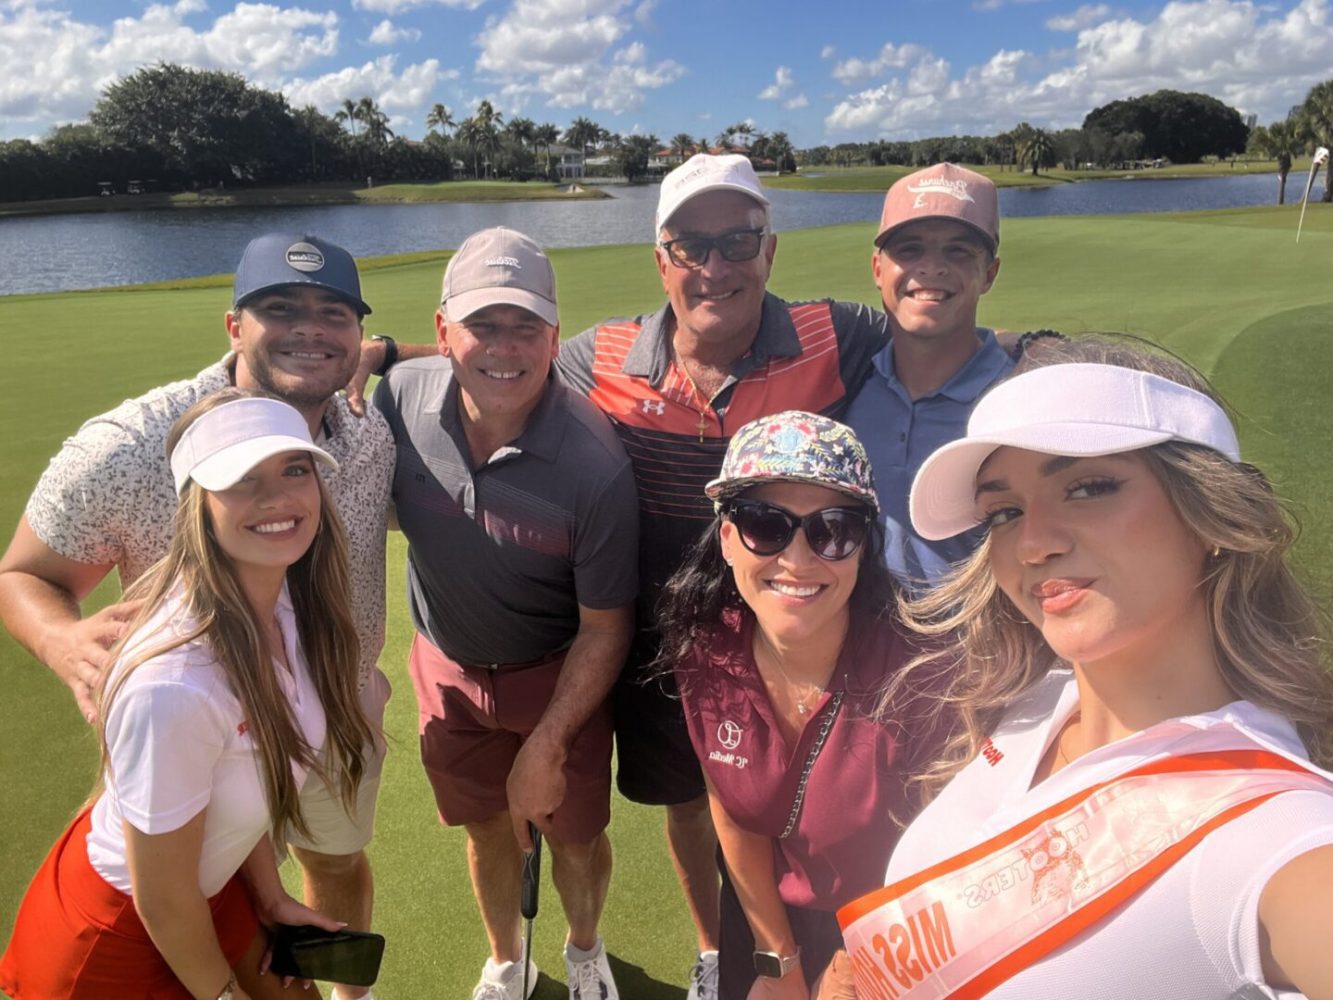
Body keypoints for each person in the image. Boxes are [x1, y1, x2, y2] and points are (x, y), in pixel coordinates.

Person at [835, 337, 1333, 998]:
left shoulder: (1273, 830)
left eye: (1087, 487)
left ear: (1208, 512)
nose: (1033, 542)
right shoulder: (1032, 707)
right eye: (1003, 512)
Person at [0, 233, 395, 1000]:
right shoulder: (128, 445)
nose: (310, 329)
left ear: (355, 336)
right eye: (280, 308)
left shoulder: (367, 435)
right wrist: (66, 642)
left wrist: (393, 356)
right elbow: (23, 575)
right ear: (233, 325)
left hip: (322, 711)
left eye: (333, 314)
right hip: (182, 751)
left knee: (332, 863)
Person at [554, 154, 891, 999]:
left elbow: (939, 338)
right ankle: (715, 948)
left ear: (769, 252)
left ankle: (838, 944)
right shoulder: (599, 357)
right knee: (691, 797)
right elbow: (507, 364)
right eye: (691, 245)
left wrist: (1037, 350)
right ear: (661, 260)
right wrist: (377, 351)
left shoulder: (834, 333)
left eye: (737, 240)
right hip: (668, 635)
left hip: (794, 613)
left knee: (815, 800)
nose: (716, 265)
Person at [371, 227, 639, 1000]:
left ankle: (584, 949)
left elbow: (604, 626)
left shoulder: (595, 464)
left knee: (576, 838)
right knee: (487, 829)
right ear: (443, 328)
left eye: (526, 327)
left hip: (559, 677)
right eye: (483, 325)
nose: (505, 347)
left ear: (553, 337)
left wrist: (550, 739)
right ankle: (504, 960)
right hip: (446, 669)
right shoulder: (399, 401)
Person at [658, 411, 947, 1000]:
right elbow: (734, 811)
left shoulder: (924, 674)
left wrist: (852, 968)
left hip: (902, 932)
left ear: (864, 548)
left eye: (832, 529)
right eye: (765, 524)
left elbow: (949, 850)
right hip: (765, 915)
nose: (796, 559)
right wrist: (778, 960)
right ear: (726, 539)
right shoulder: (706, 651)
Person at [847, 163, 1038, 591]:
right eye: (909, 249)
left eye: (958, 251)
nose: (931, 268)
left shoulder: (1023, 403)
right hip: (859, 653)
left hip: (985, 656)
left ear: (989, 273)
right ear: (878, 270)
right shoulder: (848, 378)